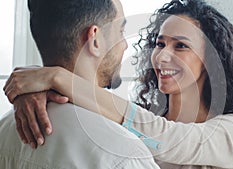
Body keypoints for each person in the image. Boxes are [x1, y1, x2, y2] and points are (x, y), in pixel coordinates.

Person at [3, 0, 233, 168]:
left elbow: (165, 138)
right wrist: (32, 90)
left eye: (180, 46)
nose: (162, 55)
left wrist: (55, 76)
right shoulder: (134, 126)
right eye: (160, 43)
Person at [0, 0, 161, 168]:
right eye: (121, 31)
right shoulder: (125, 155)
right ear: (95, 40)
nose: (125, 44)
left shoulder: (5, 128)